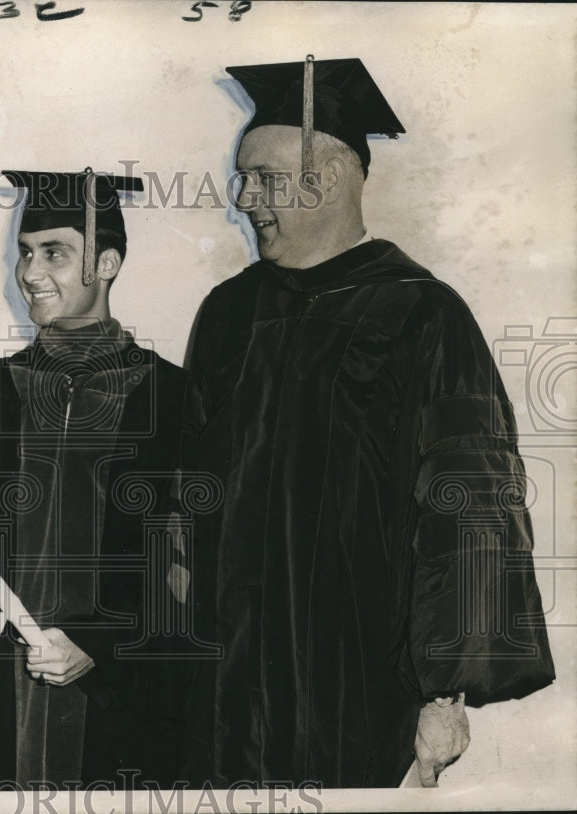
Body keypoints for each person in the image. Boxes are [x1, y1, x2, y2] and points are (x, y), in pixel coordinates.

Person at [183, 57, 556, 788]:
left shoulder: (421, 312)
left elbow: (470, 505)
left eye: (261, 178)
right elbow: (186, 485)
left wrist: (444, 690)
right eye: (243, 177)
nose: (242, 198)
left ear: (323, 180)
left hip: (358, 675)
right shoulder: (228, 314)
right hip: (227, 678)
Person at [0, 169, 207, 789]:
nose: (30, 272)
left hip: (119, 697)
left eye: (55, 253)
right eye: (24, 252)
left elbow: (193, 555)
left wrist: (100, 641)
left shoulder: (173, 398)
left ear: (108, 261)